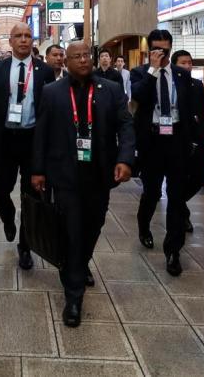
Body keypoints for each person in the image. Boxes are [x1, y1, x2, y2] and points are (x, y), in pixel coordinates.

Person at [31, 41, 134, 327]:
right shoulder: (52, 92)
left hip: (100, 175)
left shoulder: (110, 90)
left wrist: (125, 159)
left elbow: (126, 125)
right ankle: (73, 295)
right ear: (66, 62)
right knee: (73, 230)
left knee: (93, 226)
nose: (83, 60)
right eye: (75, 56)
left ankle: (77, 262)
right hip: (65, 175)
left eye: (86, 55)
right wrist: (37, 170)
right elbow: (41, 133)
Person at [130, 29, 200, 276]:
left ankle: (173, 250)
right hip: (152, 140)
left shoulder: (182, 75)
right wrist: (153, 69)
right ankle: (143, 225)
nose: (161, 54)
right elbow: (137, 96)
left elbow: (192, 108)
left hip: (177, 141)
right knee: (151, 191)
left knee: (176, 196)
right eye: (156, 50)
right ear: (149, 50)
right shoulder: (140, 73)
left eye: (165, 50)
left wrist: (196, 141)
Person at [0, 22, 55, 270]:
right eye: (19, 36)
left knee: (32, 196)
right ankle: (8, 217)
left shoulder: (45, 71)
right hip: (5, 140)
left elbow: (48, 111)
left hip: (33, 141)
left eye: (28, 35)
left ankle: (25, 246)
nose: (24, 40)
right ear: (11, 41)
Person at [171, 50, 204, 233]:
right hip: (178, 141)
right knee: (179, 179)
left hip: (198, 140)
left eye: (190, 63)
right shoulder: (170, 85)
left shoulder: (197, 85)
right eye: (183, 63)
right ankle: (181, 214)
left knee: (201, 176)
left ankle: (177, 204)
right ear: (174, 65)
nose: (188, 66)